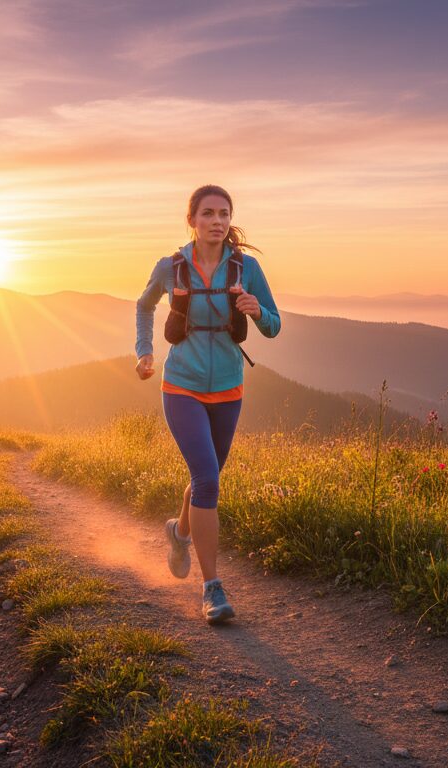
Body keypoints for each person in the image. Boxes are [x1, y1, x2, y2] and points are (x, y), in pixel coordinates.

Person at [134, 184, 281, 624]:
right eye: (208, 214)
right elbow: (143, 306)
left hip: (229, 389)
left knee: (207, 477)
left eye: (224, 214)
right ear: (192, 220)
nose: (217, 221)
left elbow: (274, 326)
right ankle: (212, 589)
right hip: (181, 385)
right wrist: (144, 352)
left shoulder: (247, 268)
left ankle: (178, 532)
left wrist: (257, 312)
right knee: (207, 479)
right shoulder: (171, 267)